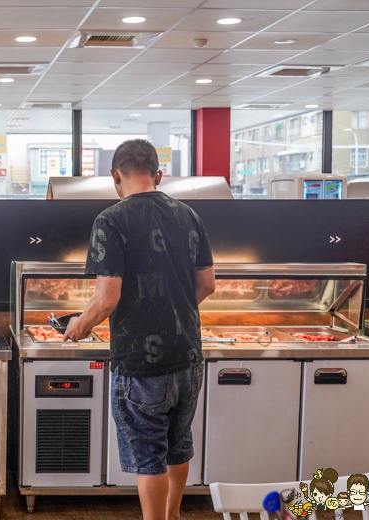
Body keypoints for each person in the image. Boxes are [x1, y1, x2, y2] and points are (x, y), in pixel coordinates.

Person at [63, 139, 215, 520]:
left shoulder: (111, 220)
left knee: (149, 456)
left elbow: (107, 297)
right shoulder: (189, 216)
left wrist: (78, 326)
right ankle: (174, 514)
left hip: (141, 363)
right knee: (178, 445)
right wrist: (173, 310)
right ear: (158, 175)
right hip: (187, 356)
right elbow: (208, 284)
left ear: (116, 176)